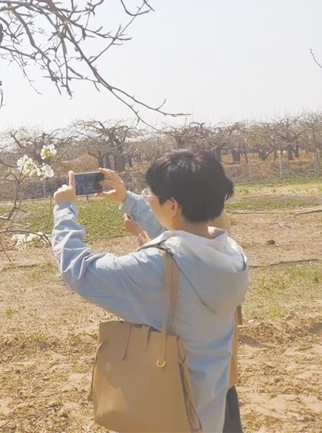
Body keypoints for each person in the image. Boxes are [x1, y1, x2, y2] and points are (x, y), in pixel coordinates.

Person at [51, 149, 248, 433]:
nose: (147, 198)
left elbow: (79, 270)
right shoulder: (231, 254)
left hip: (168, 413)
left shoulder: (157, 268)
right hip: (210, 410)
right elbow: (183, 235)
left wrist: (64, 210)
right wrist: (127, 200)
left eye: (149, 194)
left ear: (173, 205)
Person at [103, 168, 244, 433]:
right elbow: (175, 233)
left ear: (176, 201)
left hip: (190, 373)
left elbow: (172, 260)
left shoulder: (194, 242)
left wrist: (139, 235)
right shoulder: (218, 233)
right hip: (219, 368)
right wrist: (127, 199)